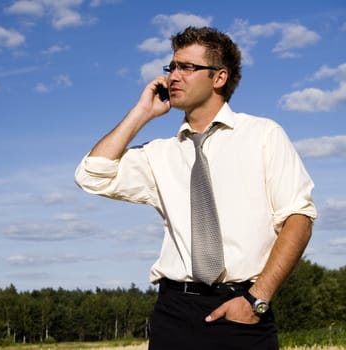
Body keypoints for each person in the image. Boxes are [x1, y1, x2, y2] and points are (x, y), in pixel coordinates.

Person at [74, 26, 316, 349]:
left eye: (187, 67)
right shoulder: (158, 154)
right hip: (174, 313)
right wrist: (141, 113)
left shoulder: (264, 136)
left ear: (219, 78)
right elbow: (91, 174)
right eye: (171, 67)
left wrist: (256, 300)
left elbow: (298, 219)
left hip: (243, 310)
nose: (173, 76)